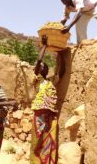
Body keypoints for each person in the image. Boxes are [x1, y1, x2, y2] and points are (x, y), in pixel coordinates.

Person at [30, 36, 59, 164]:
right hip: (40, 113)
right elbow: (38, 60)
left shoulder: (51, 81)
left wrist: (61, 53)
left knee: (49, 138)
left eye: (45, 66)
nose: (42, 67)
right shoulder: (37, 80)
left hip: (51, 114)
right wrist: (45, 46)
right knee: (38, 138)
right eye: (41, 66)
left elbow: (62, 72)